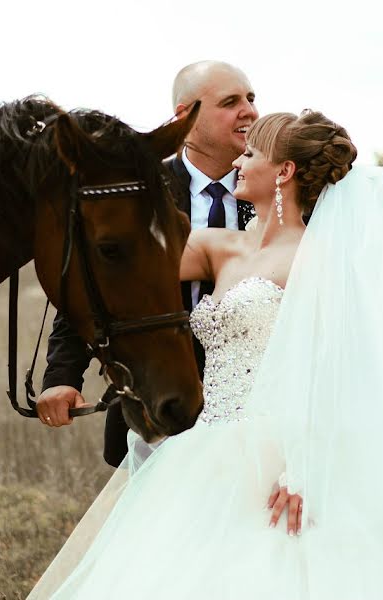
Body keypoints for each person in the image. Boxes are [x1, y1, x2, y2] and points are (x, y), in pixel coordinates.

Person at [29, 111, 383, 599]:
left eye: (252, 153)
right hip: (206, 448)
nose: (240, 159)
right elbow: (121, 259)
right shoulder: (221, 248)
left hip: (286, 457)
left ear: (284, 172)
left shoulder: (321, 258)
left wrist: (303, 470)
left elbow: (347, 373)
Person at [37, 60, 258, 467]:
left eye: (250, 98)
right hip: (156, 402)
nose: (249, 110)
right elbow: (96, 286)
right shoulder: (136, 194)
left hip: (254, 405)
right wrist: (62, 378)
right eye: (230, 102)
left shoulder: (274, 196)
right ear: (183, 117)